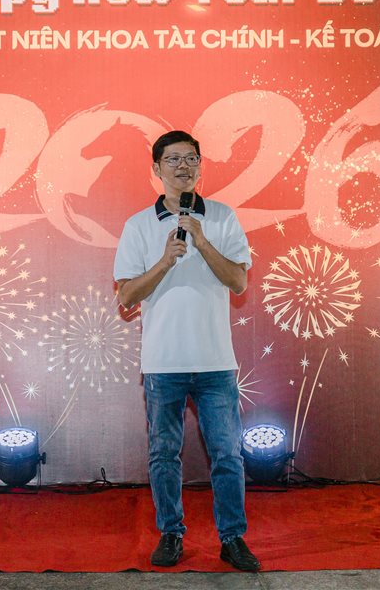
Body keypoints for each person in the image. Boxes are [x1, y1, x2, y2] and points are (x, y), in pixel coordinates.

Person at [113, 130, 260, 572]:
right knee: (164, 455)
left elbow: (238, 282)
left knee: (228, 455)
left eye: (191, 158)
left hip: (216, 363)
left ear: (200, 166)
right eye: (173, 159)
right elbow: (126, 296)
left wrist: (202, 239)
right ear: (157, 169)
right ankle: (171, 533)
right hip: (163, 363)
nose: (183, 166)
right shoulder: (138, 225)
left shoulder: (222, 216)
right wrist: (165, 260)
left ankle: (232, 539)